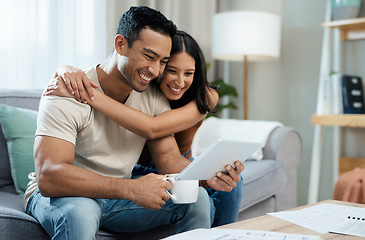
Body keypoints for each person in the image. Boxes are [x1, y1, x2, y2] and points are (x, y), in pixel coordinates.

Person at [25, 6, 244, 240]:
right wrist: (130, 188)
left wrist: (206, 177)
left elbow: (168, 159)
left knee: (197, 199)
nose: (154, 70)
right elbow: (49, 176)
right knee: (81, 211)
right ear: (120, 44)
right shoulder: (68, 89)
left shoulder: (152, 96)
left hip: (116, 198)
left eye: (163, 61)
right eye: (149, 56)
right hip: (64, 195)